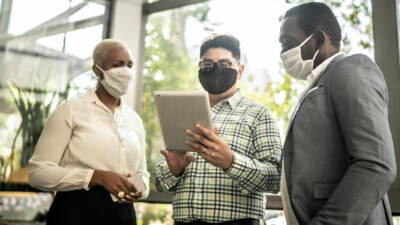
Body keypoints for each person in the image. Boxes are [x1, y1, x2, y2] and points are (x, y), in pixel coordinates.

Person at [279, 2, 397, 225]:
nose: (283, 52)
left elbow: (376, 165)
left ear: (318, 40)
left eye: (287, 42)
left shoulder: (352, 69)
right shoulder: (316, 84)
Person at [154, 33, 282, 225]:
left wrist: (231, 162)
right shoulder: (180, 110)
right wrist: (173, 170)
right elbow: (159, 182)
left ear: (239, 70)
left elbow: (275, 179)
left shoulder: (258, 114)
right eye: (207, 65)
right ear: (199, 68)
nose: (215, 69)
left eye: (224, 64)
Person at [28, 39, 150, 225]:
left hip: (124, 218)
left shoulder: (134, 120)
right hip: (75, 216)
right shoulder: (70, 110)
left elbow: (143, 174)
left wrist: (139, 189)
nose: (125, 71)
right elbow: (38, 173)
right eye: (117, 65)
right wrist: (96, 177)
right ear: (97, 70)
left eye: (129, 65)